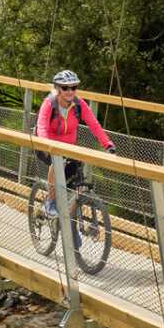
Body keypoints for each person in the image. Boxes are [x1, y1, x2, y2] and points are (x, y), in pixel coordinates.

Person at [36, 69, 116, 217]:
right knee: (56, 161)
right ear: (57, 88)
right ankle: (50, 201)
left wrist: (107, 144)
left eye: (73, 88)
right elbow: (42, 126)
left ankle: (70, 216)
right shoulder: (49, 103)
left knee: (77, 176)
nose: (70, 91)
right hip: (47, 144)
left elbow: (94, 124)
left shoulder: (79, 105)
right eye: (65, 88)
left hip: (69, 146)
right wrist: (46, 144)